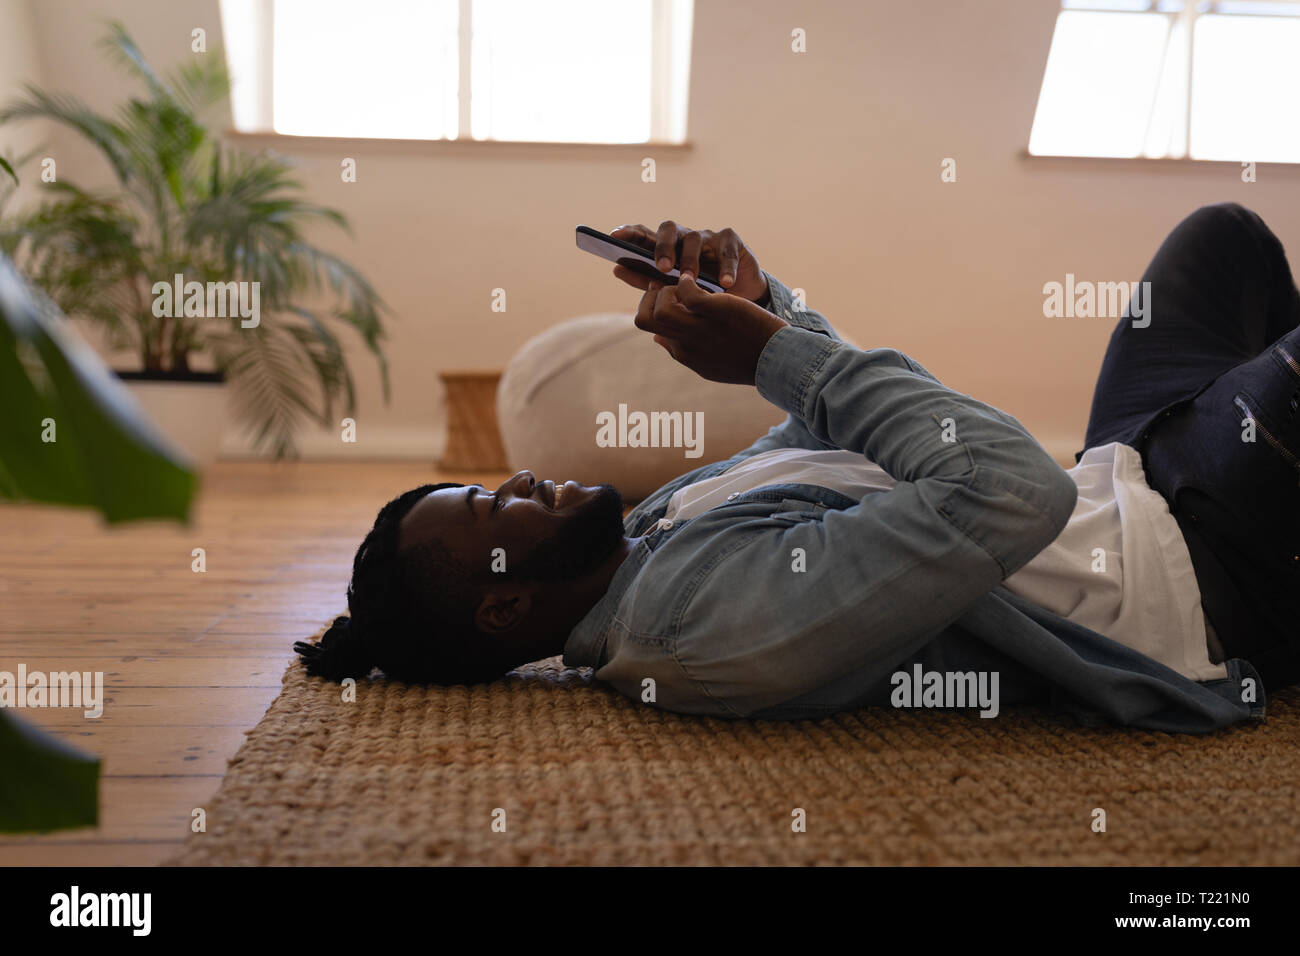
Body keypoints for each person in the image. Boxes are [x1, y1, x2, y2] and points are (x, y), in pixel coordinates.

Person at [295, 203, 1298, 732]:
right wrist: (774, 356)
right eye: (489, 508)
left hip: (1120, 474)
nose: (512, 482)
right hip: (1189, 575)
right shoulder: (695, 631)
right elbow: (1008, 486)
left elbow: (836, 425)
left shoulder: (656, 531)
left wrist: (766, 304)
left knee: (1226, 239)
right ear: (502, 609)